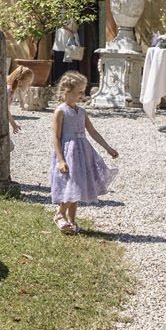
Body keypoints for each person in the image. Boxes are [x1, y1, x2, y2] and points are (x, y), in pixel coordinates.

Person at [50, 70, 117, 234]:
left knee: (77, 188)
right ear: (68, 91)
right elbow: (56, 137)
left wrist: (107, 147)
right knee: (71, 186)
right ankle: (59, 214)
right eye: (80, 92)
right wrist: (60, 160)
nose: (83, 95)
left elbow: (92, 132)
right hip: (68, 154)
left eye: (84, 91)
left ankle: (71, 220)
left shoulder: (81, 111)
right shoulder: (61, 111)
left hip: (82, 153)